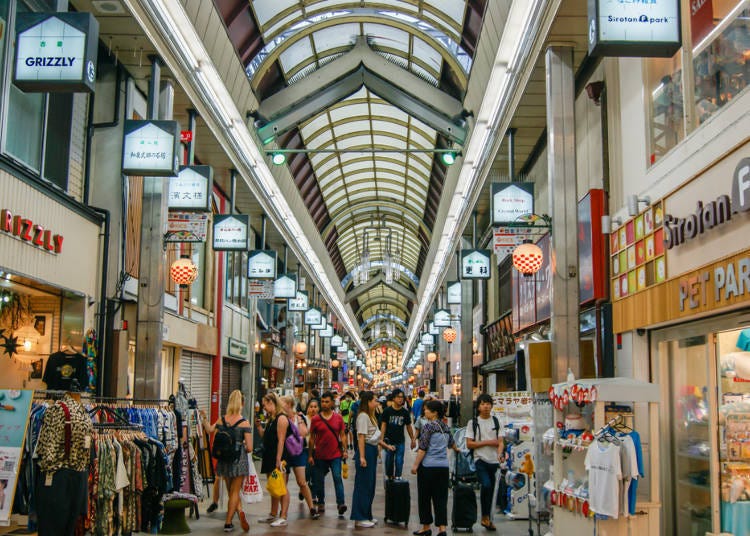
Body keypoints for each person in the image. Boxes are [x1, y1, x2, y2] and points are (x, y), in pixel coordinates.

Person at [200, 390, 253, 533]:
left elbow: (210, 430)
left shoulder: (221, 420)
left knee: (231, 491)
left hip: (224, 459)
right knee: (235, 491)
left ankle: (239, 510)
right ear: (242, 403)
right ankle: (228, 522)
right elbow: (250, 448)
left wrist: (204, 418)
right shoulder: (244, 423)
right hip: (238, 459)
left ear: (229, 402)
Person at [411, 399, 458, 536]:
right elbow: (452, 444)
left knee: (425, 498)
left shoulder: (428, 427)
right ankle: (442, 529)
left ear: (434, 413)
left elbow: (423, 448)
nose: (424, 411)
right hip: (443, 467)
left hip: (428, 467)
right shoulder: (445, 427)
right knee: (441, 498)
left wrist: (415, 465)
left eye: (427, 410)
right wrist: (458, 450)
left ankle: (426, 527)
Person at [465, 393, 505, 531]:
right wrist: (489, 442)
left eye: (488, 403)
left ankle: (488, 519)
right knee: (486, 485)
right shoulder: (473, 423)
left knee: (492, 490)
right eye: (482, 404)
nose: (486, 406)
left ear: (491, 405)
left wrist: (500, 454)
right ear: (478, 407)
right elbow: (469, 444)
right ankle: (484, 517)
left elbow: (500, 442)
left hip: (494, 461)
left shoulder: (497, 421)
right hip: (480, 460)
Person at [351, 390, 389, 528]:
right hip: (365, 450)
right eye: (375, 400)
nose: (377, 402)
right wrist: (361, 456)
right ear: (368, 402)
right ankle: (359, 517)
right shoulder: (362, 417)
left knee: (370, 484)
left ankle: (367, 514)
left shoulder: (371, 416)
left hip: (371, 450)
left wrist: (385, 446)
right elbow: (361, 437)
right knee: (363, 485)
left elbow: (374, 436)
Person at [309, 391, 348, 517]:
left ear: (332, 402)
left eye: (327, 402)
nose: (324, 404)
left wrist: (345, 450)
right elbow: (312, 438)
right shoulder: (316, 419)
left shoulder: (338, 418)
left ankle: (341, 503)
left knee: (337, 477)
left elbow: (342, 435)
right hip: (320, 455)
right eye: (323, 402)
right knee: (319, 480)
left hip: (335, 454)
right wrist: (310, 455)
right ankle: (321, 502)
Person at [280, 395, 319, 519]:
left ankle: (312, 508)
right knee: (283, 483)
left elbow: (304, 433)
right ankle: (283, 512)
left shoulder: (299, 417)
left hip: (298, 452)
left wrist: (298, 420)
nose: (280, 406)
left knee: (302, 482)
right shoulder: (280, 418)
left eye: (283, 403)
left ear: (290, 405)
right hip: (285, 454)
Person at [255, 392, 291, 527]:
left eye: (265, 405)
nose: (264, 408)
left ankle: (283, 515)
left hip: (279, 456)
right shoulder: (271, 418)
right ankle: (273, 513)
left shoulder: (281, 419)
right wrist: (259, 427)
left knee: (282, 486)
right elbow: (265, 436)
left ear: (272, 403)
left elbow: (281, 440)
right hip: (269, 455)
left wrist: (278, 458)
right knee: (274, 485)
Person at [380, 388, 416, 479]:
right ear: (393, 398)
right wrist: (381, 440)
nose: (400, 399)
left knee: (399, 461)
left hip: (400, 441)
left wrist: (413, 439)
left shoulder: (405, 412)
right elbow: (383, 426)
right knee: (389, 461)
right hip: (389, 441)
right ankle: (390, 478)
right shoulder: (387, 411)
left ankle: (398, 477)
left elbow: (408, 426)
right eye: (398, 397)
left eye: (402, 397)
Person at [304, 399, 320, 502]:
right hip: (305, 449)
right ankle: (304, 489)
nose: (313, 409)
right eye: (311, 406)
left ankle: (313, 495)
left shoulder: (320, 419)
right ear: (308, 408)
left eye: (315, 407)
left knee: (315, 473)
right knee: (307, 472)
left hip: (317, 449)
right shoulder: (304, 419)